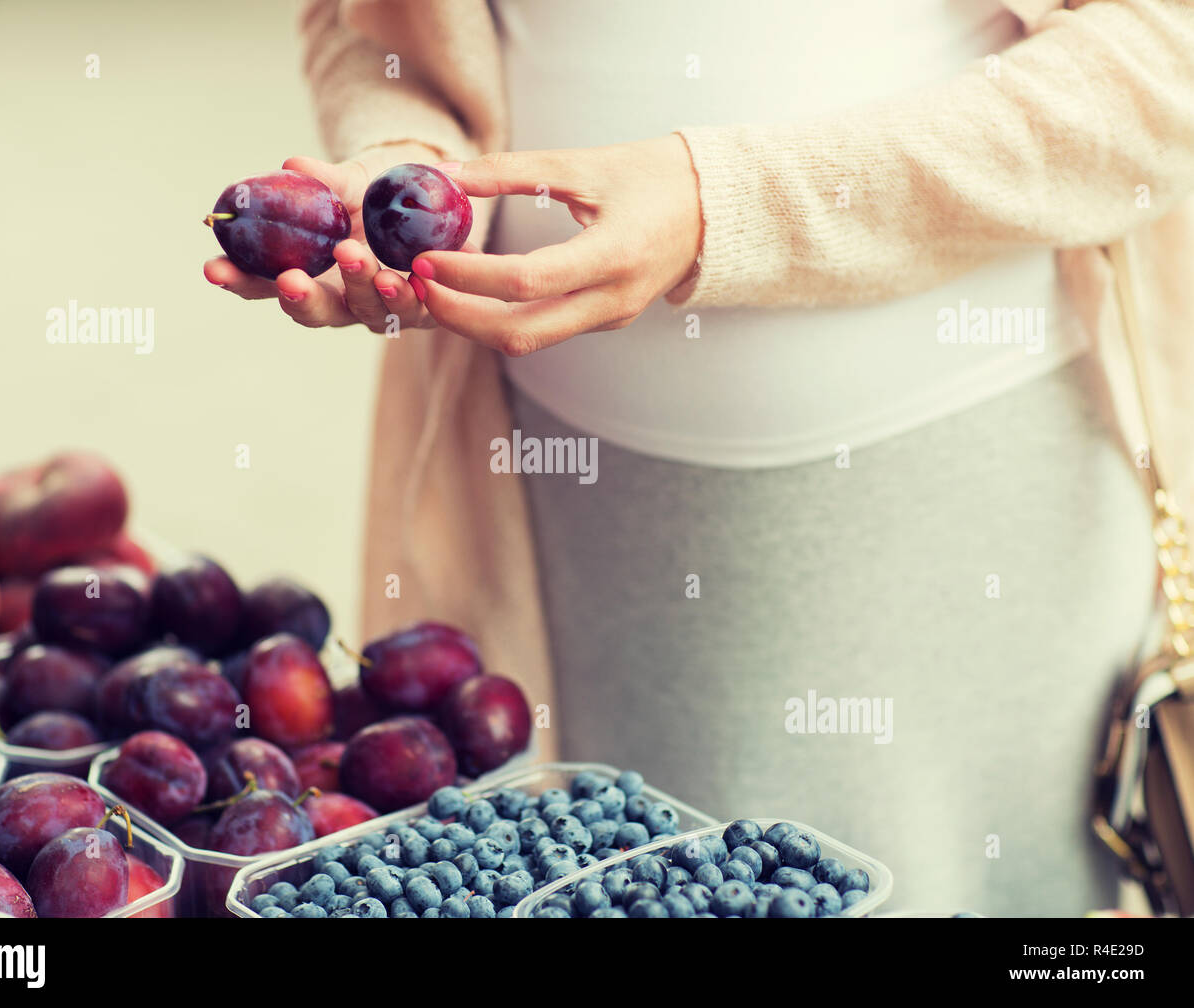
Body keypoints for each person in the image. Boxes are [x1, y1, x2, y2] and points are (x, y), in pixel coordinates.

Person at [204, 0, 1194, 915]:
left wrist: (717, 200)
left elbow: (1165, 63)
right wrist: (403, 166)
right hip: (559, 508)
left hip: (954, 511)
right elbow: (363, 28)